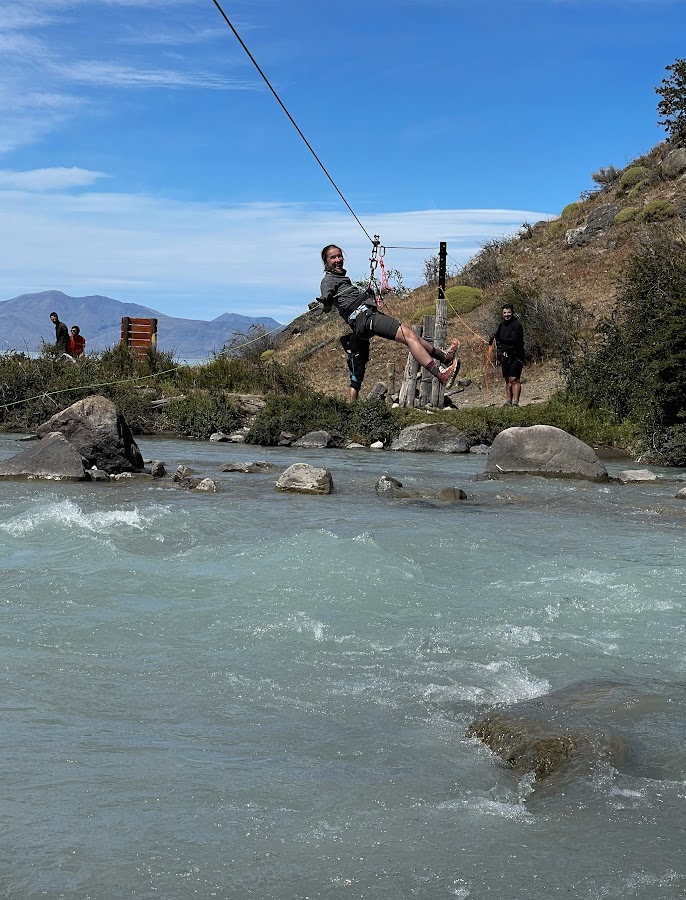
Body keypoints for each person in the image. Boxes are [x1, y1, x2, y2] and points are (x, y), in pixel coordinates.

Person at [316, 244, 460, 390]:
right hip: (365, 318)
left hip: (367, 317)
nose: (338, 259)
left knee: (410, 334)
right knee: (408, 336)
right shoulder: (328, 280)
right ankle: (440, 374)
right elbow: (326, 299)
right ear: (326, 262)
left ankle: (444, 357)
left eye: (339, 256)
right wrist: (326, 299)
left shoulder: (340, 278)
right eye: (333, 257)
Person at [489, 303, 525, 406]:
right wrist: (493, 339)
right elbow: (497, 336)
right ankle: (508, 401)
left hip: (516, 354)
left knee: (514, 379)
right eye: (504, 313)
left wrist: (501, 339)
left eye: (509, 312)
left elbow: (514, 339)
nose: (506, 315)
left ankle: (515, 402)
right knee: (507, 380)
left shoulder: (517, 325)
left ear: (512, 312)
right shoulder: (502, 325)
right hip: (505, 355)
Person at [339, 332, 370, 401]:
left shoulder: (356, 333)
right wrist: (348, 350)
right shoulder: (359, 334)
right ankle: (353, 404)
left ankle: (353, 403)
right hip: (357, 361)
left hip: (355, 360)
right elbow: (342, 339)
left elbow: (342, 339)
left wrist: (348, 350)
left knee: (355, 382)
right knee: (355, 383)